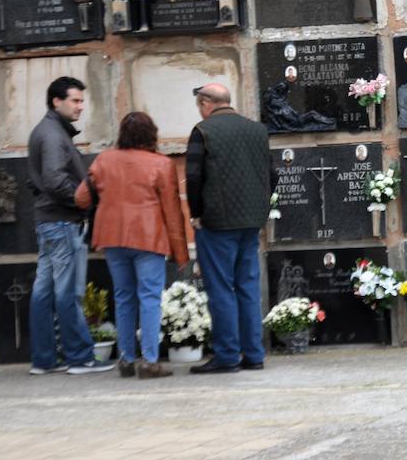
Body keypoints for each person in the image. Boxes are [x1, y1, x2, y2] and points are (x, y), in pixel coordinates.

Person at [75, 112, 189, 379]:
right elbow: (172, 212)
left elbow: (80, 198)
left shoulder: (104, 160)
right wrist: (181, 253)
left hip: (112, 237)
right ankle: (149, 362)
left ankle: (126, 360)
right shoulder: (161, 164)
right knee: (149, 298)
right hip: (148, 239)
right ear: (152, 134)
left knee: (123, 297)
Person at [27, 76, 114, 375]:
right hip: (62, 220)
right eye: (75, 101)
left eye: (81, 100)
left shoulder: (49, 130)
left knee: (45, 291)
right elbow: (53, 179)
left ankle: (44, 359)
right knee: (67, 292)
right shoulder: (52, 135)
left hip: (49, 220)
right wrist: (81, 201)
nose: (81, 107)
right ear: (56, 101)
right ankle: (79, 357)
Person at [186, 83, 275, 373]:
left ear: (205, 103)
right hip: (251, 222)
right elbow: (272, 174)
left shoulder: (203, 131)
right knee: (248, 287)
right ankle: (253, 354)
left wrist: (196, 213)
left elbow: (193, 178)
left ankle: (226, 355)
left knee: (221, 288)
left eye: (200, 104)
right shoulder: (257, 131)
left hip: (216, 223)